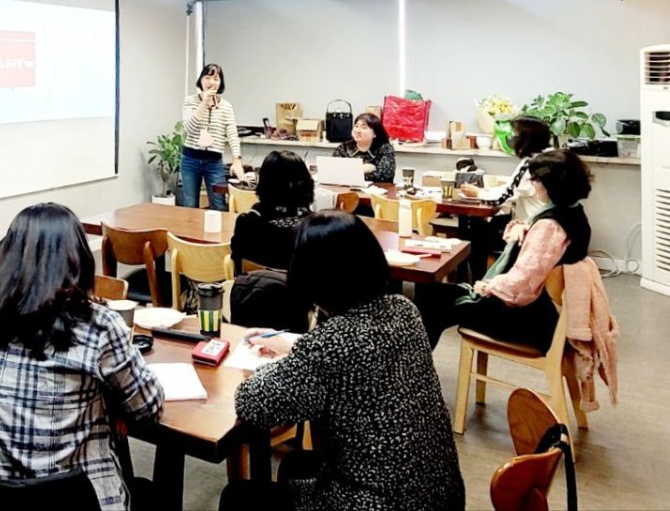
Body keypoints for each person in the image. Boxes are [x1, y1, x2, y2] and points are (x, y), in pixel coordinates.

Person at [221, 211, 465, 511]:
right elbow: (358, 357)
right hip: (438, 494)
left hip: (376, 502)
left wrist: (285, 360)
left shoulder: (330, 345)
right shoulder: (405, 310)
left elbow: (252, 402)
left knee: (238, 498)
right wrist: (296, 347)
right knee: (296, 465)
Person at [0, 203, 163, 511]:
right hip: (67, 500)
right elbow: (148, 407)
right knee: (149, 493)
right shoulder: (98, 325)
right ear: (78, 260)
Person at [416, 149, 593, 351]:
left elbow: (521, 287)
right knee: (435, 299)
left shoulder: (549, 227)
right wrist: (521, 227)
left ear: (550, 184)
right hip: (540, 314)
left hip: (526, 321)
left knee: (430, 299)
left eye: (535, 179)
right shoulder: (573, 214)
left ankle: (414, 371)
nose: (533, 184)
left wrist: (488, 286)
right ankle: (417, 367)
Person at [461, 116, 554, 279]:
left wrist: (477, 193)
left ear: (525, 138)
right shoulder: (550, 157)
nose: (510, 139)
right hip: (548, 222)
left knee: (475, 230)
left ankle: (477, 281)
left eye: (514, 135)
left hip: (529, 227)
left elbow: (503, 197)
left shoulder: (531, 164)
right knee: (487, 224)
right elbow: (514, 188)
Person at [231, 150, 314, 271]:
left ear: (263, 182)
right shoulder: (317, 228)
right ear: (306, 183)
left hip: (256, 287)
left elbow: (236, 263)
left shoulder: (248, 223)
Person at [181, 63, 244, 210]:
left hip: (214, 162)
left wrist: (237, 160)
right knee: (190, 206)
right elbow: (189, 128)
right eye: (207, 77)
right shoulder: (190, 101)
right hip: (190, 160)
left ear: (220, 82)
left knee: (219, 206)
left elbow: (232, 134)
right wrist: (204, 103)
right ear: (201, 80)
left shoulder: (226, 106)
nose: (211, 82)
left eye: (216, 78)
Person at [330, 112, 395, 183]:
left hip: (376, 192)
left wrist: (351, 174)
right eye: (356, 126)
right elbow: (334, 172)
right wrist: (365, 169)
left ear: (375, 134)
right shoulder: (344, 148)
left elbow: (386, 175)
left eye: (363, 127)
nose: (358, 131)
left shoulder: (385, 148)